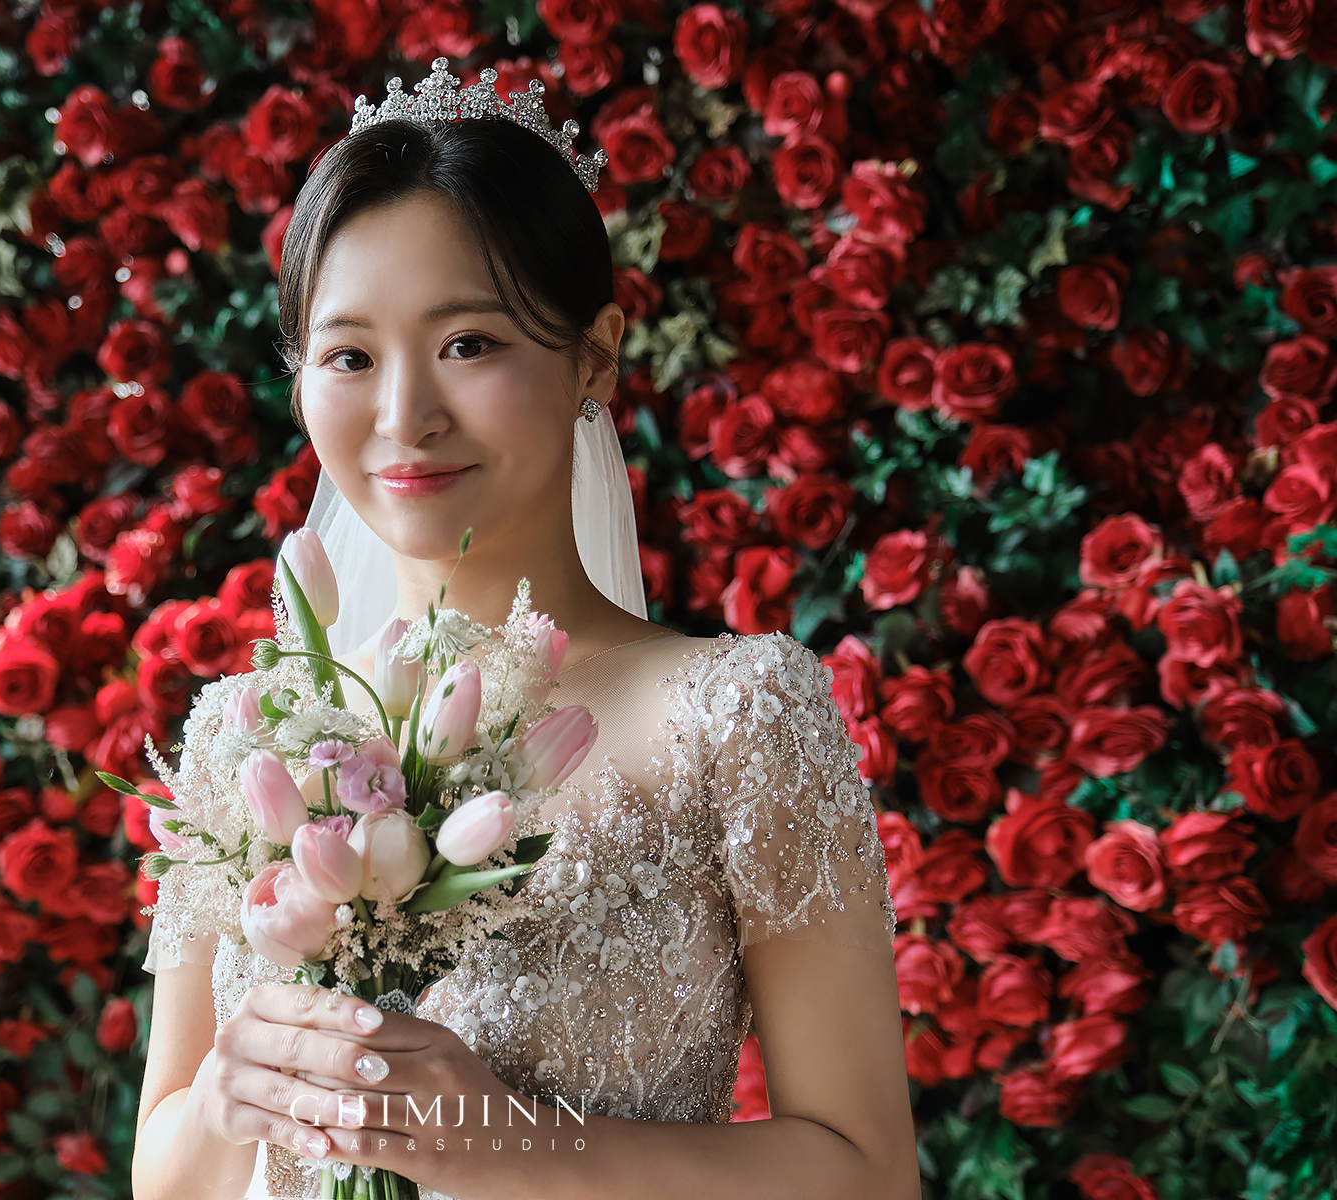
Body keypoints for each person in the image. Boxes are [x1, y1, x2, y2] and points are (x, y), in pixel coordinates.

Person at [132, 60, 917, 1200]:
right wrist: (223, 1100)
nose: (405, 416)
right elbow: (165, 1177)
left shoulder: (734, 717)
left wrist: (510, 1147)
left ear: (594, 355)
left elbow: (866, 1170)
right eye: (350, 356)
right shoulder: (245, 736)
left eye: (468, 344)